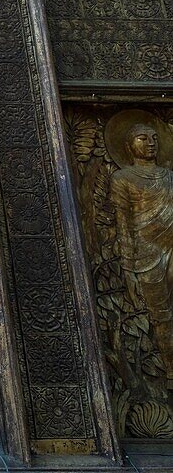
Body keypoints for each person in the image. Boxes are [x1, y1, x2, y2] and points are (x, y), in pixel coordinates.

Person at [111, 122, 173, 382]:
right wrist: (128, 267)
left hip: (170, 246)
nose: (150, 143)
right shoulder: (123, 178)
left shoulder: (169, 176)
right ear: (128, 146)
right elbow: (123, 223)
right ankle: (170, 367)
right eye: (142, 138)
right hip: (146, 255)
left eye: (154, 138)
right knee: (161, 316)